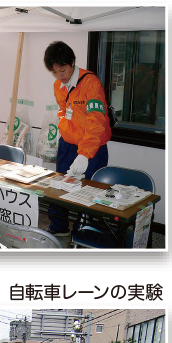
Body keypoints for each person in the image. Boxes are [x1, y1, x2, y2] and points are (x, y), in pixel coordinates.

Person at [43, 40, 112, 239]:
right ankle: (59, 227)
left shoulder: (91, 83)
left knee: (88, 193)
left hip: (91, 149)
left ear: (72, 62)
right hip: (67, 145)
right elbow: (63, 110)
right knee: (59, 187)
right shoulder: (59, 85)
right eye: (54, 72)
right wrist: (64, 127)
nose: (59, 76)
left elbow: (96, 122)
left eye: (62, 70)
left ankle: (82, 233)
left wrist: (84, 154)